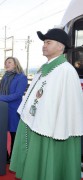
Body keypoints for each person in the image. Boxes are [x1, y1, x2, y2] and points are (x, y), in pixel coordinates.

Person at [10, 28, 83, 180]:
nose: (44, 45)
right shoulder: (44, 68)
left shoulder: (66, 71)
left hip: (51, 129)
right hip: (35, 123)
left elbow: (67, 108)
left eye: (48, 42)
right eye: (44, 42)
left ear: (60, 47)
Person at [0, 57, 28, 163]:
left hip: (13, 110)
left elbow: (17, 95)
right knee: (1, 134)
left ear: (16, 64)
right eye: (5, 63)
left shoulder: (21, 77)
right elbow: (1, 92)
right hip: (2, 109)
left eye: (9, 62)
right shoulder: (5, 76)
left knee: (14, 135)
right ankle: (5, 157)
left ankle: (14, 159)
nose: (6, 64)